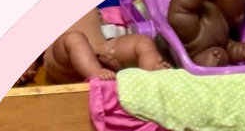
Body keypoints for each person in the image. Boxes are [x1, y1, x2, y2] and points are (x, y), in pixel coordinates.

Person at [35, 9, 173, 84]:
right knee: (74, 38)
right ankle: (94, 73)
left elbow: (105, 27)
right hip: (63, 59)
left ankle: (151, 69)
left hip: (99, 51)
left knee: (142, 41)